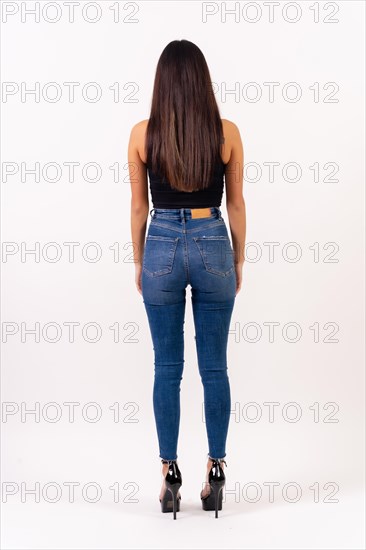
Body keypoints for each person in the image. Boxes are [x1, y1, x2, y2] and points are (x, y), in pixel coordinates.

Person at [128, 39, 246, 519]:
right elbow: (236, 203)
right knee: (214, 367)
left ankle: (169, 475)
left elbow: (139, 208)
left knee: (166, 369)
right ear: (202, 81)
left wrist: (140, 261)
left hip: (160, 242)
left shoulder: (141, 133)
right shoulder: (227, 132)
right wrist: (238, 261)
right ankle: (216, 470)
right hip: (213, 237)